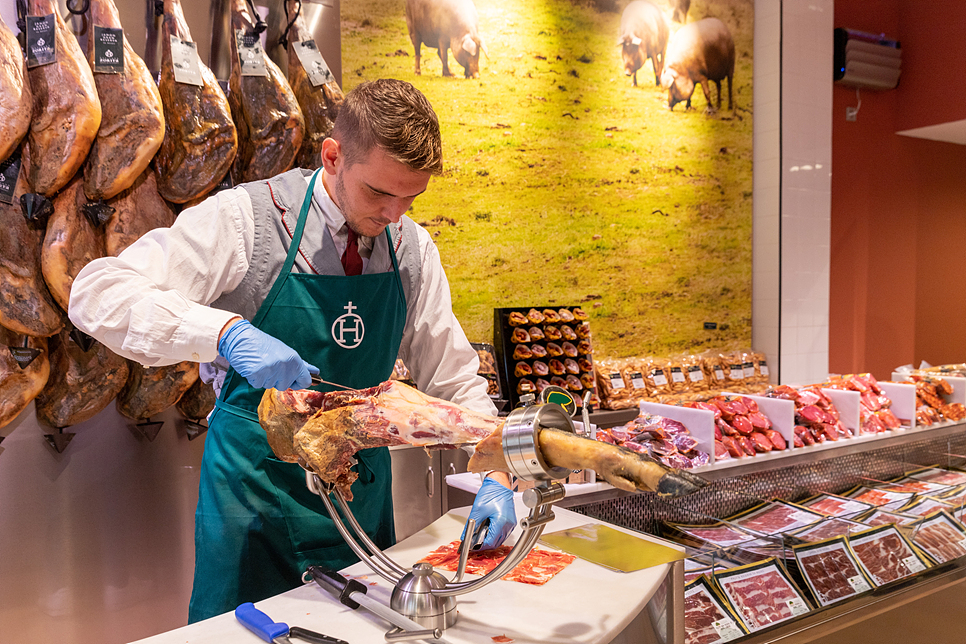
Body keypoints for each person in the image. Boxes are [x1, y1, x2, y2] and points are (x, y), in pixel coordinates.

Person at [68, 78, 515, 622]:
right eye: (379, 192)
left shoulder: (413, 249)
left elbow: (454, 379)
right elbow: (98, 293)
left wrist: (496, 466)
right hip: (254, 502)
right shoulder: (247, 221)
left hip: (358, 507)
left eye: (411, 197)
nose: (395, 214)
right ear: (332, 156)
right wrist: (226, 332)